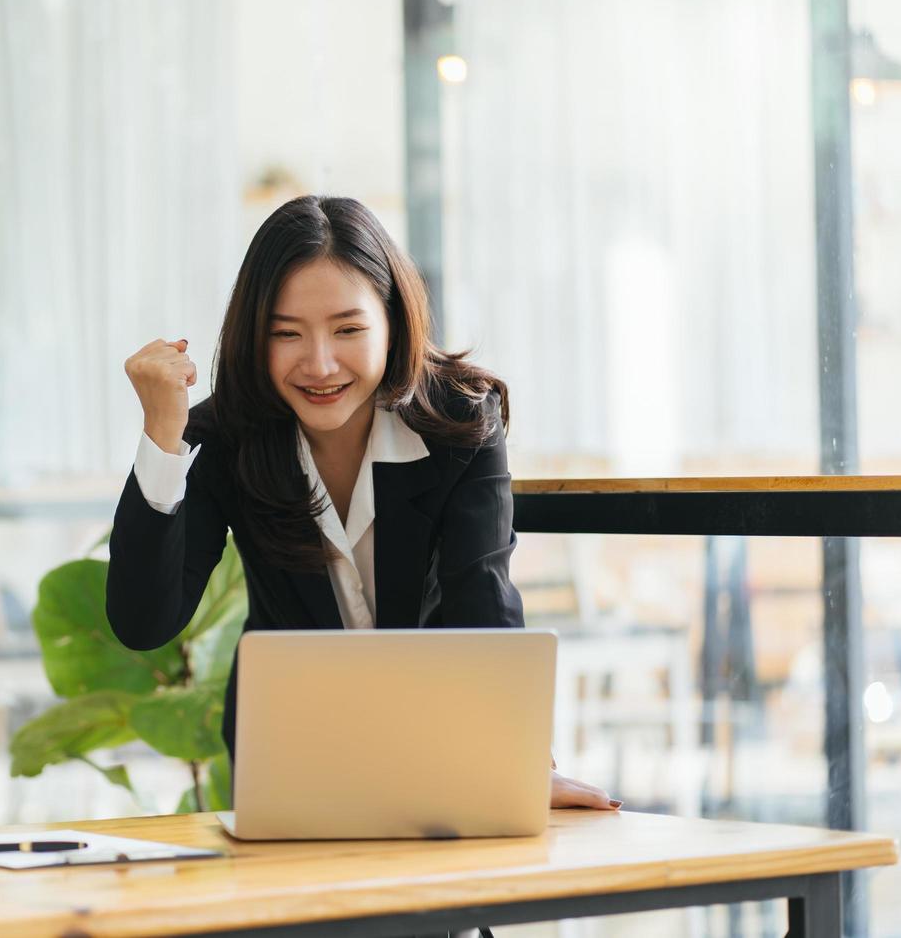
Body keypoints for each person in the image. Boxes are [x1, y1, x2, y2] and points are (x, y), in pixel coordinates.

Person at [107, 195, 617, 812]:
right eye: (285, 334)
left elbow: (480, 598)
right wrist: (164, 433)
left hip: (442, 745)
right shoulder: (227, 438)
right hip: (290, 756)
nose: (319, 364)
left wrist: (518, 762)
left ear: (394, 322)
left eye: (348, 329)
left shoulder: (458, 423)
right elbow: (144, 621)